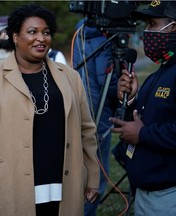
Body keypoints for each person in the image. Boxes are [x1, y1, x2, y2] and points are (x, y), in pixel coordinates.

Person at [0, 4, 99, 216]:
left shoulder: (70, 77)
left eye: (46, 32)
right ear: (14, 36)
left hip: (62, 184)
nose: (41, 38)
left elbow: (87, 131)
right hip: (6, 186)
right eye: (32, 32)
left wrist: (92, 178)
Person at [109, 1, 176, 215]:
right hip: (143, 193)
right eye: (146, 25)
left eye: (153, 24)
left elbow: (144, 131)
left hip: (168, 196)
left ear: (174, 27)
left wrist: (142, 134)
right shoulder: (158, 73)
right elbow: (142, 120)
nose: (147, 32)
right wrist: (129, 101)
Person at [72, 18, 119, 216]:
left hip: (82, 108)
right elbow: (106, 79)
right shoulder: (103, 40)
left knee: (82, 169)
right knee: (96, 175)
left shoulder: (81, 33)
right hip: (99, 113)